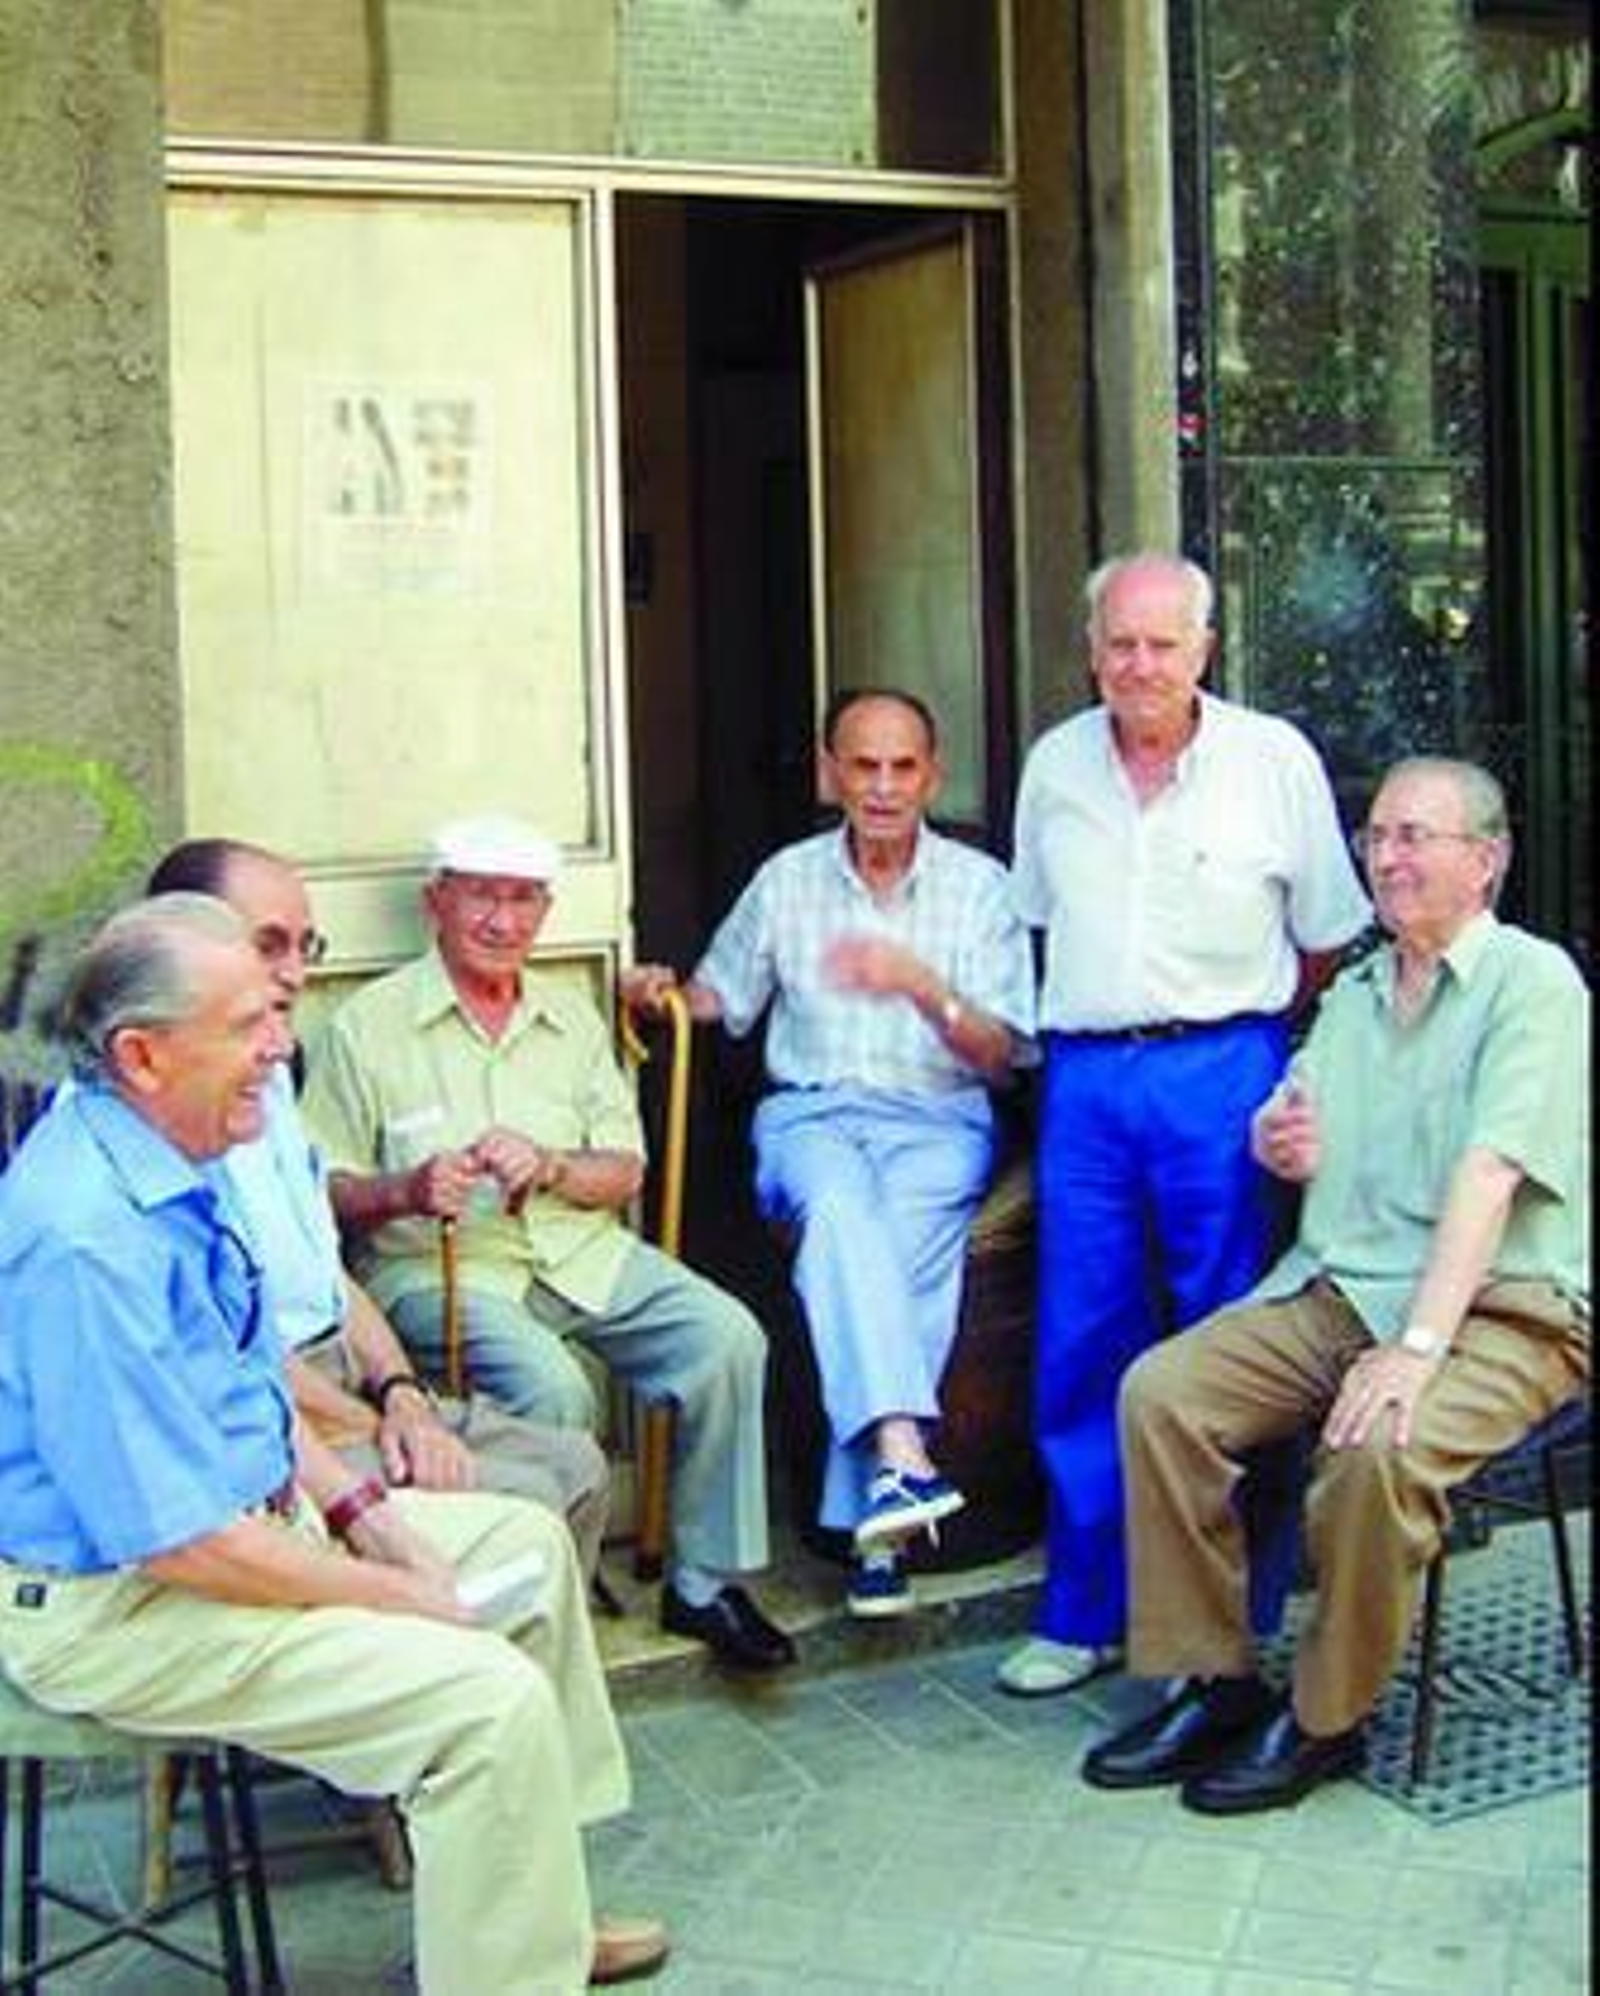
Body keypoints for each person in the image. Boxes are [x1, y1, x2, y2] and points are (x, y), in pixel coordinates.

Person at [0, 895, 666, 1991]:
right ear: (143, 1053)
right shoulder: (87, 1239)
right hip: (119, 1605)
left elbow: (251, 1370)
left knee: (532, 1543)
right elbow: (179, 1544)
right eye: (248, 1023)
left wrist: (366, 1516)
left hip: (237, 1524)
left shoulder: (173, 1143)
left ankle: (534, 1907)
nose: (279, 1044)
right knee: (482, 1700)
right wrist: (399, 1597)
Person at [1082, 757, 1589, 1812]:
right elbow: (1301, 1128)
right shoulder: (1356, 993)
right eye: (1377, 837)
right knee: (1161, 1393)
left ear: (1485, 861)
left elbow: (1490, 1174)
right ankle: (1212, 1679)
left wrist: (1414, 1350)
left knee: (1371, 1449)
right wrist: (1278, 1141)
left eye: (1416, 836)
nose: (1387, 857)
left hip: (1505, 1307)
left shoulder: (1533, 984)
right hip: (1343, 1286)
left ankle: (1324, 1719)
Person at [999, 552, 1372, 1696]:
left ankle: (1231, 1618)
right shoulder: (1056, 763)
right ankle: (1085, 1609)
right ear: (1091, 649)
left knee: (1229, 1343)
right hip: (1089, 1080)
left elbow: (1322, 936)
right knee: (1081, 1344)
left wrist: (1261, 1056)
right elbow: (1033, 921)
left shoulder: (1272, 761)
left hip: (1224, 1070)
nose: (1140, 664)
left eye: (1163, 644)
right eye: (1119, 643)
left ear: (1205, 649)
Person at [301, 815, 795, 1673]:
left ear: (544, 910)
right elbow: (325, 1193)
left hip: (579, 1252)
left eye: (522, 899)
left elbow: (626, 1171)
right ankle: (541, 1623)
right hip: (439, 1270)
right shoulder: (367, 1026)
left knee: (727, 1339)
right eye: (481, 896)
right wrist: (407, 1189)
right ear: (436, 903)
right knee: (553, 1389)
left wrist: (555, 1166)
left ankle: (704, 1583)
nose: (502, 920)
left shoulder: (567, 1019)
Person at [626, 689, 1035, 1617]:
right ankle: (901, 1457)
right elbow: (715, 1001)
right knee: (844, 1211)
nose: (883, 787)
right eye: (863, 765)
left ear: (932, 775)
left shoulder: (981, 888)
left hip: (939, 1118)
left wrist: (922, 986)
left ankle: (879, 1525)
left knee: (884, 1252)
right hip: (811, 1118)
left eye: (902, 767)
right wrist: (653, 992)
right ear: (829, 772)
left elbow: (1007, 1056)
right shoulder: (787, 881)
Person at [146, 837, 612, 1581]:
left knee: (579, 1466)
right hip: (286, 1410)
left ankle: (520, 1674)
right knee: (528, 1510)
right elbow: (236, 1354)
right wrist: (379, 1421)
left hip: (355, 1368)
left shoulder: (265, 1079)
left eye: (306, 945)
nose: (296, 974)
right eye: (269, 945)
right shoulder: (168, 1122)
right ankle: (469, 1674)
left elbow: (326, 1274)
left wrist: (402, 1395)